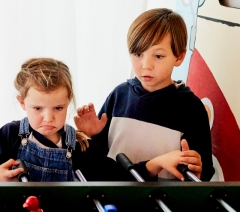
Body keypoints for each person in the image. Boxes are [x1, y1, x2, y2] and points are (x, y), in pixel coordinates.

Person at [0, 57, 190, 182]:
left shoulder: (81, 144)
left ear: (68, 101)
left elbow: (118, 177)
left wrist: (156, 163)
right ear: (22, 103)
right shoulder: (9, 136)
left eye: (58, 108)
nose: (48, 118)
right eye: (37, 108)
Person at [74, 8, 214, 181]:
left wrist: (197, 169)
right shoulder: (119, 95)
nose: (146, 65)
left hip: (163, 202)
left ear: (179, 57)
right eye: (138, 54)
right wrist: (90, 136)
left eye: (158, 56)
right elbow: (99, 161)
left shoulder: (191, 108)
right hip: (114, 196)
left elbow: (204, 172)